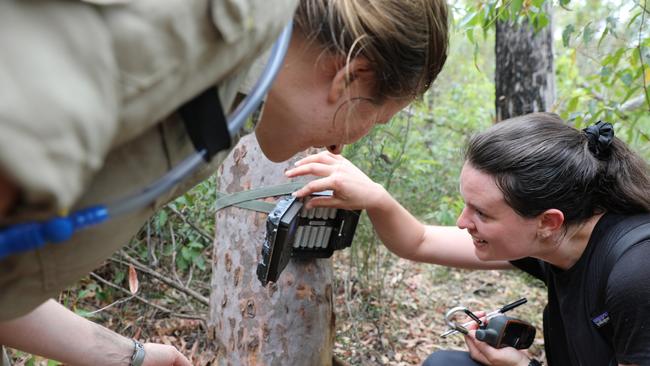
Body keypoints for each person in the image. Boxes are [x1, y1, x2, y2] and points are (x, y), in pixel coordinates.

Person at [0, 0, 449, 364]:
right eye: (375, 119)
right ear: (351, 76)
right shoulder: (197, 25)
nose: (339, 149)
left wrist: (126, 357)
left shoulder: (224, 100)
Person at [286, 113, 650, 366]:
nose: (463, 222)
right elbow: (420, 242)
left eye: (482, 213)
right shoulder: (557, 239)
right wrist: (375, 196)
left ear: (548, 222)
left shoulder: (635, 274)